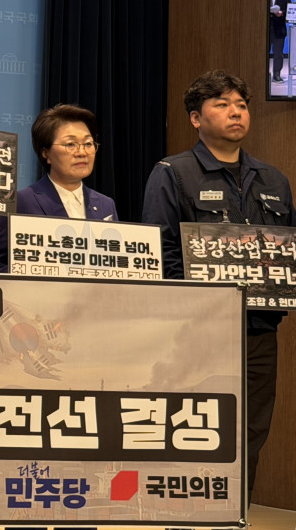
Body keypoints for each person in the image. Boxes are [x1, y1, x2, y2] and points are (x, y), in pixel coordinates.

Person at [141, 69, 293, 499]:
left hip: (258, 331)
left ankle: (234, 515)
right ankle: (187, 517)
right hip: (197, 331)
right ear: (196, 118)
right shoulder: (173, 172)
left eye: (241, 105)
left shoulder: (274, 180)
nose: (236, 112)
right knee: (196, 426)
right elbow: (160, 253)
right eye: (222, 105)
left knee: (250, 431)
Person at [0, 104, 118, 273]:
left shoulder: (106, 205)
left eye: (88, 143)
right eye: (71, 144)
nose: (82, 152)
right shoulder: (22, 202)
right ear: (45, 153)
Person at [269, 0, 291, 83]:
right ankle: (262, 73)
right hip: (263, 30)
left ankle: (277, 74)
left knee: (278, 53)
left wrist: (281, 13)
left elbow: (290, 12)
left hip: (279, 29)